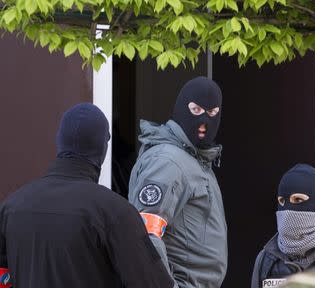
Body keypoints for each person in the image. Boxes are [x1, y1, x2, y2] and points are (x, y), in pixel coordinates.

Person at [0, 103, 173, 288]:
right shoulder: (115, 212)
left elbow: (3, 279)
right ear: (102, 148)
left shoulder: (12, 208)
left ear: (59, 142)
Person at [128, 76, 227, 288]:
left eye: (212, 113)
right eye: (196, 110)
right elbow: (146, 235)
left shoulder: (195, 159)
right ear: (182, 108)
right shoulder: (168, 162)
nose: (204, 122)